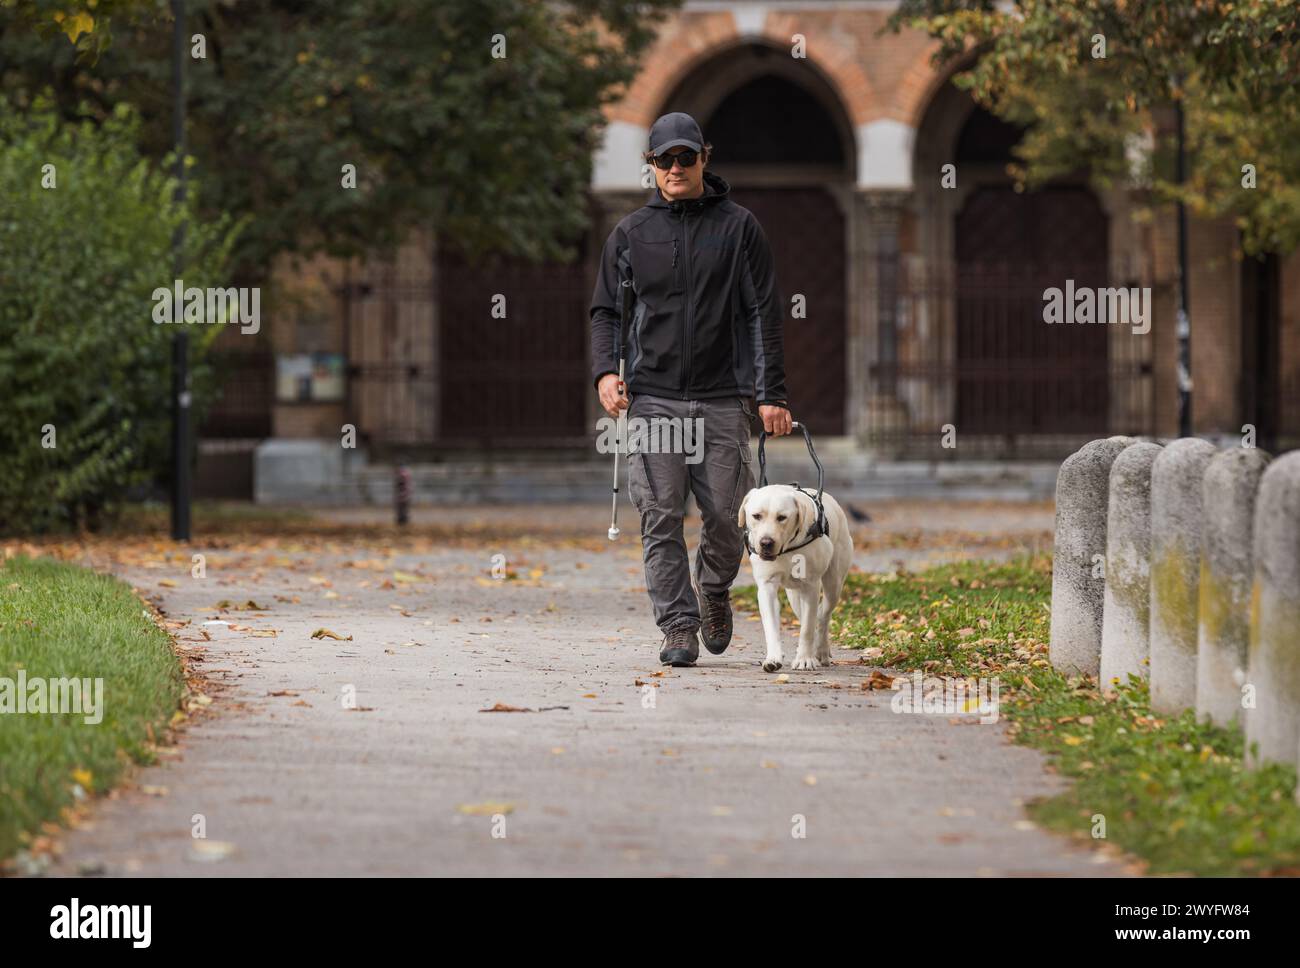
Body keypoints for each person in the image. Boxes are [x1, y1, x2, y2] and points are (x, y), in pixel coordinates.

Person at [589, 111, 792, 667]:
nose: (675, 168)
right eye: (663, 160)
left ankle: (714, 589)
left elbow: (763, 312)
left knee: (728, 517)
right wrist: (607, 371)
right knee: (659, 515)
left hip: (724, 395)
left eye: (685, 157)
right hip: (653, 396)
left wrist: (770, 391)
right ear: (650, 166)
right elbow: (606, 311)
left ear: (704, 156)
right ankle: (678, 625)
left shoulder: (740, 227)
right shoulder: (631, 233)